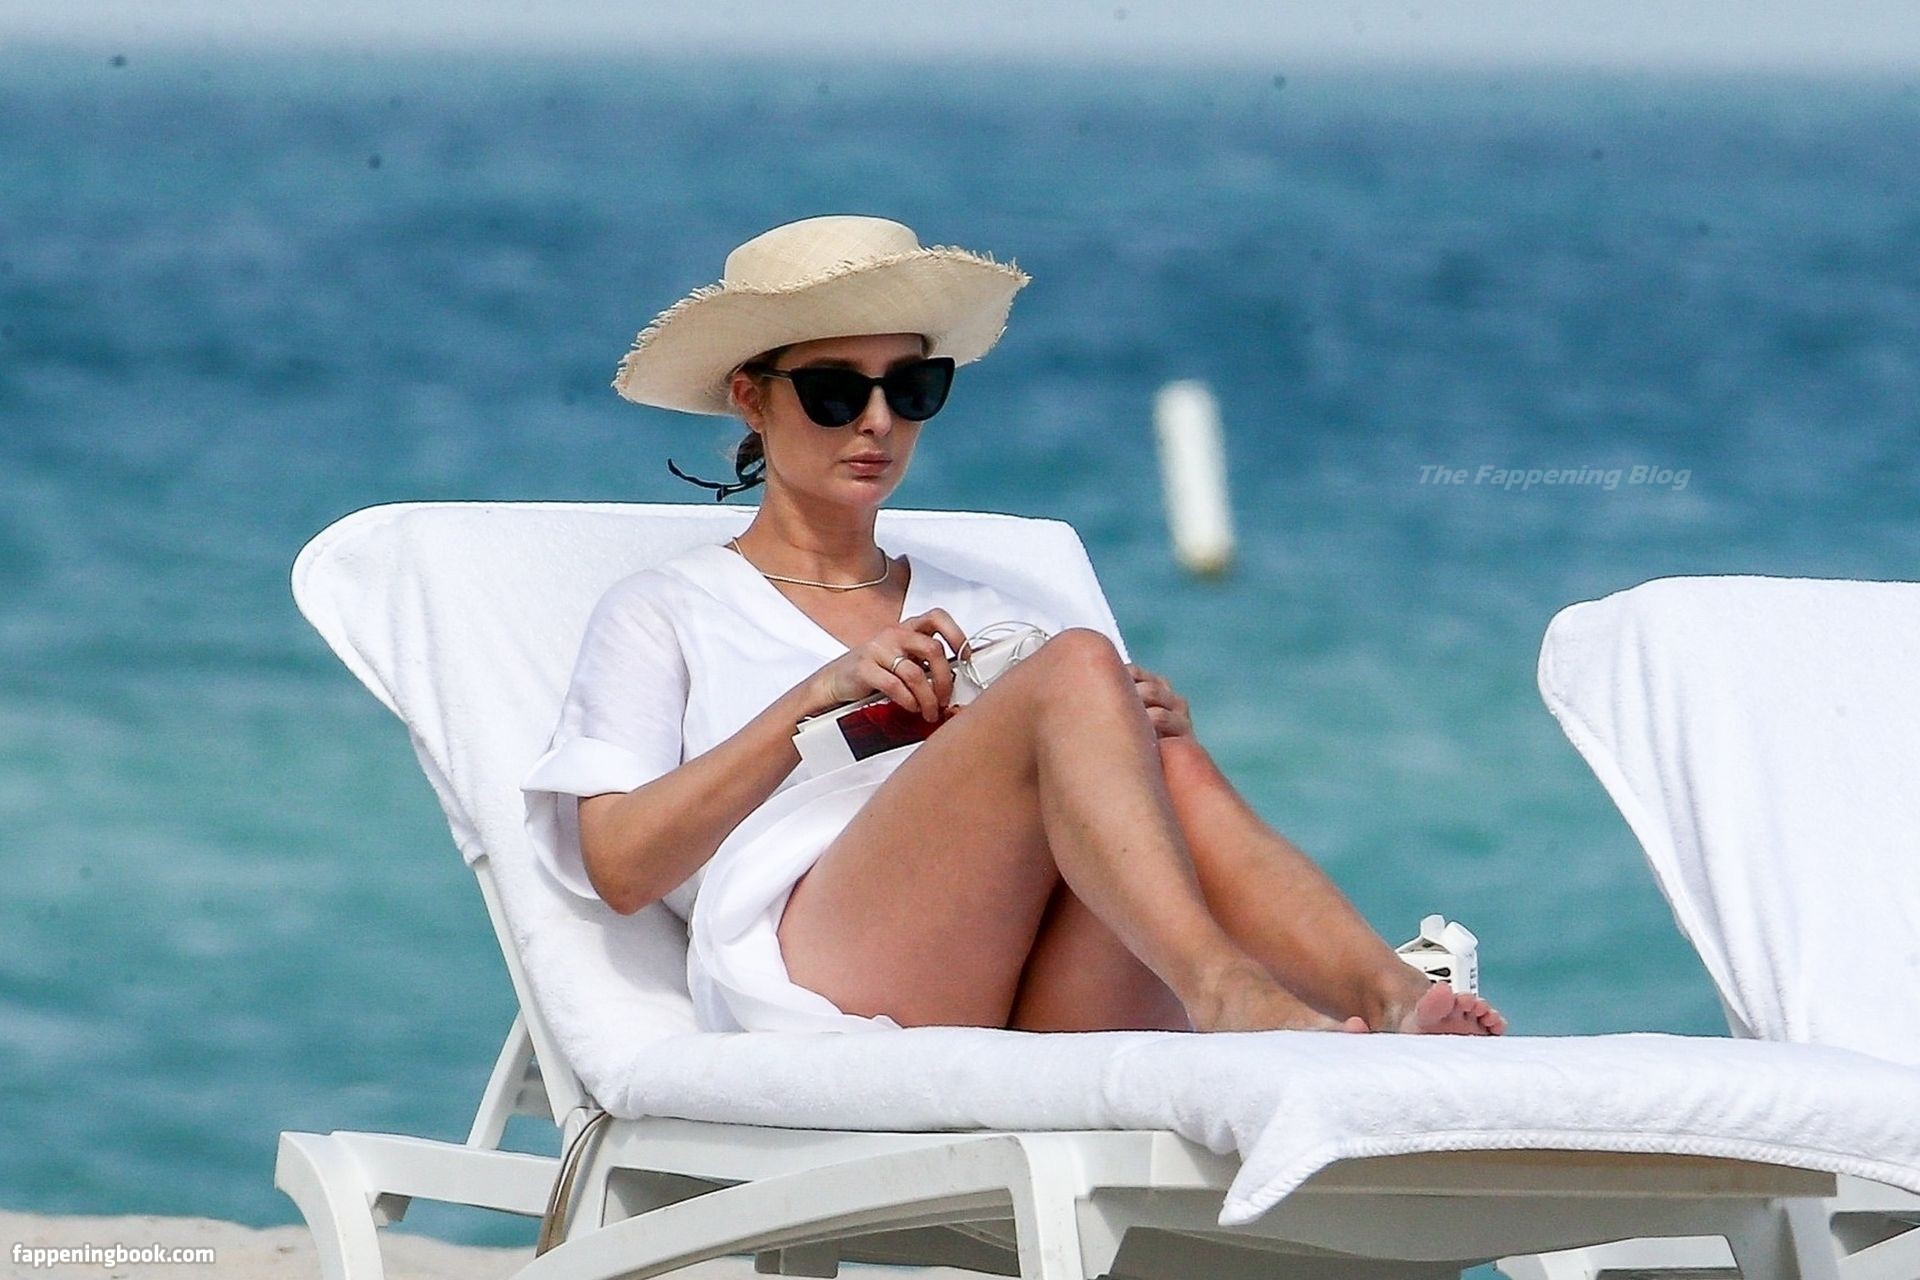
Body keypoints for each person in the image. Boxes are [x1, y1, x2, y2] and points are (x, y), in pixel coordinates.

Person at [521, 214, 1507, 1039]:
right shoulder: (670, 608)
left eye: (912, 389)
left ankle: (1390, 994)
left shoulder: (989, 602)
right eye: (834, 391)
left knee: (1154, 743)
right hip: (812, 977)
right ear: (751, 398)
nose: (877, 422)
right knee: (1077, 667)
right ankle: (1229, 990)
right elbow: (618, 865)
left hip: (1031, 991)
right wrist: (813, 703)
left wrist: (1146, 733)